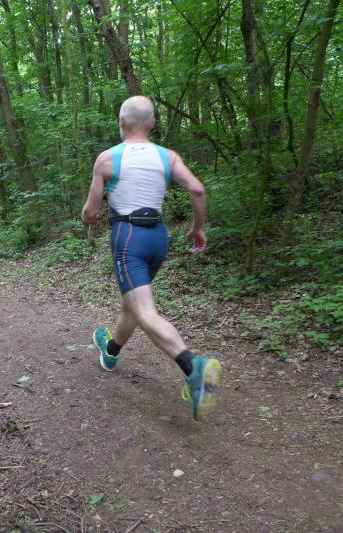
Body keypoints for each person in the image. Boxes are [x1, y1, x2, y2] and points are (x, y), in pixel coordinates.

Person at [81, 95, 221, 421]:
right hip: (158, 237)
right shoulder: (168, 156)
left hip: (128, 237)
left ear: (121, 122)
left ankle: (193, 365)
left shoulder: (108, 159)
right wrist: (197, 228)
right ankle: (111, 351)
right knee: (132, 303)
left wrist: (88, 216)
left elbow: (90, 212)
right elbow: (197, 189)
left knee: (144, 310)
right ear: (153, 124)